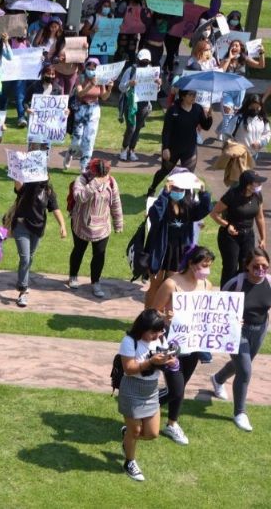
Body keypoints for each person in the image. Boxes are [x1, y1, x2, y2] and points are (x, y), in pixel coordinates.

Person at [147, 245, 215, 446]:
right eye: (203, 265)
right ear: (192, 264)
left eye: (209, 266)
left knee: (181, 386)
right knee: (175, 389)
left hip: (193, 344)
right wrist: (164, 316)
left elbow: (210, 314)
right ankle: (142, 407)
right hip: (171, 344)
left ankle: (172, 423)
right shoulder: (171, 284)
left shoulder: (207, 286)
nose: (206, 270)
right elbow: (152, 313)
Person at [213, 248, 271, 432]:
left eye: (264, 266)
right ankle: (240, 412)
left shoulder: (269, 282)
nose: (260, 269)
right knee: (245, 370)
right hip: (237, 332)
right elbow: (217, 308)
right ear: (247, 266)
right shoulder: (235, 284)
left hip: (260, 330)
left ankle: (218, 378)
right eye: (256, 266)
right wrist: (232, 320)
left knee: (242, 364)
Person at [119, 309, 174, 482]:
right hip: (132, 389)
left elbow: (165, 359)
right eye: (153, 332)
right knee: (135, 431)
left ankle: (127, 437)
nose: (157, 335)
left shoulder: (161, 338)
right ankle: (129, 461)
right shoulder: (129, 341)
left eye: (160, 331)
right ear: (142, 328)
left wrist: (170, 361)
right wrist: (150, 362)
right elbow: (128, 369)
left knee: (152, 434)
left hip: (151, 390)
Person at [143, 175, 212, 305]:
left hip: (179, 250)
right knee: (155, 285)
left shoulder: (189, 206)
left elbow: (206, 209)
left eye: (181, 190)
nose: (178, 192)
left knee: (172, 285)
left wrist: (203, 192)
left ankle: (164, 316)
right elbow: (155, 215)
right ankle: (148, 315)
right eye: (175, 189)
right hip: (160, 249)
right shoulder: (162, 203)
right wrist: (164, 194)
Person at [68, 159, 124, 298]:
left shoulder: (111, 182)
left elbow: (116, 203)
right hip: (81, 224)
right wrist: (94, 183)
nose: (104, 174)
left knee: (99, 254)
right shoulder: (82, 179)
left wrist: (118, 223)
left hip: (102, 226)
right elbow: (80, 197)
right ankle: (73, 276)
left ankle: (95, 282)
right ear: (92, 170)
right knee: (79, 251)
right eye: (101, 172)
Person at [12, 178, 67, 307]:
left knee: (29, 257)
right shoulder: (26, 184)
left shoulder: (48, 190)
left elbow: (55, 208)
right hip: (21, 226)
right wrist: (17, 169)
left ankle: (22, 280)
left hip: (37, 228)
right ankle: (23, 290)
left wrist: (62, 225)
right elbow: (18, 184)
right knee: (25, 258)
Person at [146, 90, 213, 196]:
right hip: (173, 148)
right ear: (183, 96)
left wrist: (209, 117)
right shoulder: (173, 110)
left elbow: (205, 126)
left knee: (188, 174)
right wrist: (165, 148)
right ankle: (152, 188)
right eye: (191, 95)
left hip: (190, 149)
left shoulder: (198, 109)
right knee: (164, 171)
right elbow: (166, 130)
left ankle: (185, 198)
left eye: (195, 95)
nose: (193, 97)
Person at [210, 170, 267, 286]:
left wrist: (263, 238)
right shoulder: (232, 195)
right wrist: (227, 225)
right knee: (230, 267)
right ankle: (226, 295)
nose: (260, 185)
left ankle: (242, 295)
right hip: (230, 236)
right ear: (247, 184)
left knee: (246, 266)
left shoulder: (257, 195)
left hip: (248, 235)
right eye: (257, 183)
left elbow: (260, 218)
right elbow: (214, 213)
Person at [65, 58, 113, 171]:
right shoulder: (80, 77)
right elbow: (80, 93)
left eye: (94, 68)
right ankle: (70, 153)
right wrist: (91, 85)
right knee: (77, 139)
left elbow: (104, 97)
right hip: (81, 109)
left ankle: (84, 166)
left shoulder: (100, 79)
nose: (91, 70)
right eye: (89, 67)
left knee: (89, 139)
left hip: (94, 110)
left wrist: (109, 89)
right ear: (85, 67)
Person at [117, 50, 161, 162]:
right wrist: (129, 83)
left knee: (137, 129)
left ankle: (131, 150)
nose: (144, 63)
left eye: (146, 61)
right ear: (137, 60)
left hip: (144, 103)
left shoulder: (152, 71)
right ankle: (124, 149)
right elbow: (121, 87)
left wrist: (158, 84)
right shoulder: (130, 70)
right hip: (131, 102)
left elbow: (155, 90)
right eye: (142, 61)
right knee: (131, 127)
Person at [218, 40, 266, 139]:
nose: (235, 47)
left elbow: (261, 65)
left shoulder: (244, 59)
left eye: (237, 45)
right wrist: (229, 58)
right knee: (228, 113)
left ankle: (221, 129)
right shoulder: (225, 58)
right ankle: (226, 139)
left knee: (234, 113)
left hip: (240, 90)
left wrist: (261, 53)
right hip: (227, 91)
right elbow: (221, 72)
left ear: (241, 48)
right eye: (233, 45)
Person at [230, 94, 271, 160]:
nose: (255, 110)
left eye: (258, 108)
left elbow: (267, 134)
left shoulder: (263, 120)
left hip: (253, 155)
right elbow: (227, 134)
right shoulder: (238, 119)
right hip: (238, 155)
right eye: (252, 107)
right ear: (247, 106)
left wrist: (260, 143)